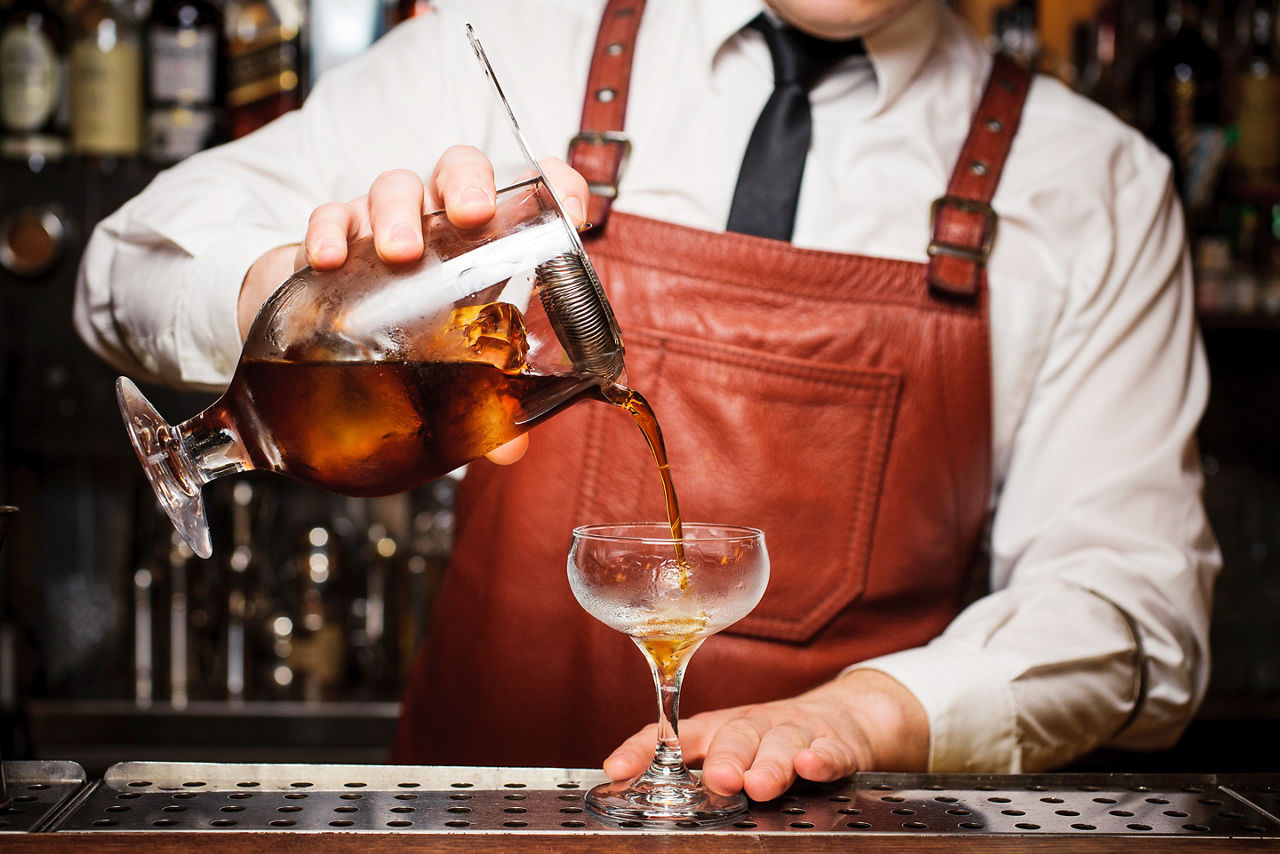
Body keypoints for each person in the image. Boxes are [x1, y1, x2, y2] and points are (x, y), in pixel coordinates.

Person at [75, 0, 1220, 802]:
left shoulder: (1097, 186)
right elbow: (122, 262)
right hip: (472, 831)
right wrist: (277, 289)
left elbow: (1130, 604)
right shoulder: (516, 37)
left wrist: (869, 715)